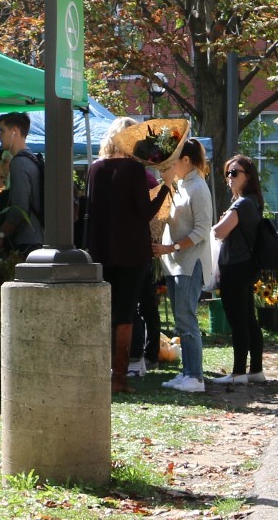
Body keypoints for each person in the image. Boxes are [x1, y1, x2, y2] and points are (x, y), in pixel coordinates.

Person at [85, 118, 169, 394]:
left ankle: (101, 373)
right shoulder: (134, 169)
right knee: (125, 315)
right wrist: (166, 188)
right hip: (132, 252)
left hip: (100, 251)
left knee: (105, 314)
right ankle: (119, 377)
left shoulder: (94, 169)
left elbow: (89, 212)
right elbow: (145, 213)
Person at [153, 139, 214, 393]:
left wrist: (172, 248)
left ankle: (195, 376)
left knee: (187, 319)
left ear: (186, 160)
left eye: (174, 159)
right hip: (176, 265)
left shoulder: (198, 187)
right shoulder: (181, 185)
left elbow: (201, 230)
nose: (170, 165)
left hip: (189, 264)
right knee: (181, 320)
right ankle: (187, 372)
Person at [209, 155, 268, 385]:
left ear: (248, 176)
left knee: (238, 321)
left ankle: (238, 373)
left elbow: (219, 232)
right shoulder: (253, 201)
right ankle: (255, 370)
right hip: (245, 265)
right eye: (228, 173)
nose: (229, 178)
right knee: (249, 319)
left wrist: (219, 222)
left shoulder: (242, 203)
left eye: (235, 173)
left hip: (235, 266)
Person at [0, 112, 45, 256]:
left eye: (2, 130)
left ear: (14, 131)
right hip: (38, 236)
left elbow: (19, 208)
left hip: (26, 242)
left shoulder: (19, 163)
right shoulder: (33, 159)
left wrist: (0, 236)